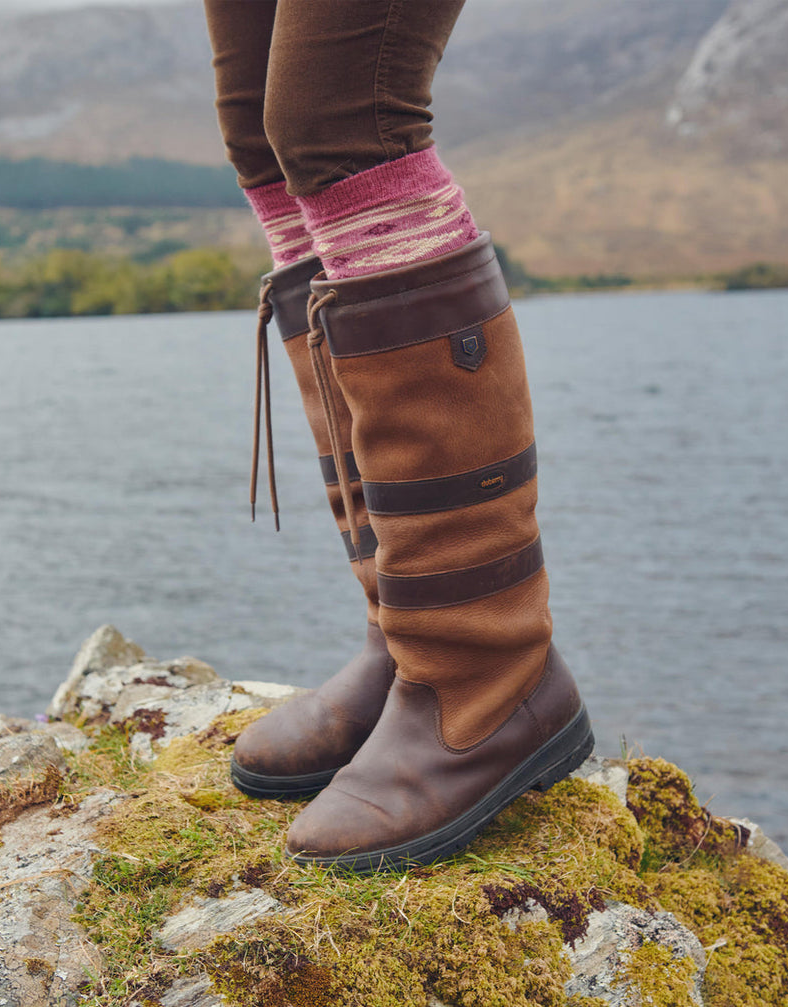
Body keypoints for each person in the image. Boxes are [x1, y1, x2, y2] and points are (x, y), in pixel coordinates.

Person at [204, 0, 593, 872]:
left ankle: (481, 670)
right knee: (265, 136)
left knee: (341, 120)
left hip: (483, 673)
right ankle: (408, 633)